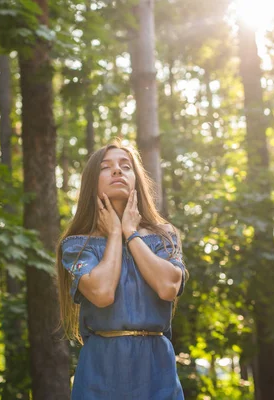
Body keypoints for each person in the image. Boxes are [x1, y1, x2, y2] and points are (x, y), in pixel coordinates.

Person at [56, 140, 187, 399]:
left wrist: (130, 232)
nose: (117, 171)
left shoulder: (165, 236)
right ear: (93, 182)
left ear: (136, 179)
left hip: (156, 367)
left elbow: (168, 287)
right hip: (101, 370)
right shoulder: (77, 244)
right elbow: (103, 293)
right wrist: (115, 232)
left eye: (125, 166)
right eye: (107, 167)